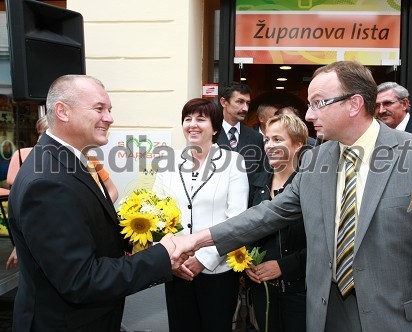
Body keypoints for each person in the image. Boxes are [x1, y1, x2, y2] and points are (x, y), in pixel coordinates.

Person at [171, 61, 412, 331]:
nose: (309, 114)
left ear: (354, 104)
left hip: (394, 320)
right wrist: (197, 240)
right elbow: (269, 214)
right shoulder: (315, 160)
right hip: (325, 316)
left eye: (318, 103)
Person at [7, 74, 190, 331]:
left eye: (110, 110)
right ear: (62, 111)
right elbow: (81, 280)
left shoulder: (70, 163)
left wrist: (143, 240)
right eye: (99, 108)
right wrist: (160, 258)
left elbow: (86, 232)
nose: (109, 118)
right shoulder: (48, 181)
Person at [153, 98, 249, 332]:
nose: (192, 124)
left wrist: (204, 259)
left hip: (217, 271)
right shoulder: (168, 161)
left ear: (215, 127)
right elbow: (157, 212)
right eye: (188, 119)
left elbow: (236, 219)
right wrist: (172, 258)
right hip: (177, 268)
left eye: (201, 119)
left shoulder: (233, 162)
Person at [5, 116, 118, 270]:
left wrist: (96, 210)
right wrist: (20, 245)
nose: (42, 137)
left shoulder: (88, 160)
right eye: (40, 133)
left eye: (46, 132)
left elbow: (111, 190)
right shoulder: (37, 162)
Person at [246, 114, 307, 332]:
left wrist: (283, 266)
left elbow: (323, 242)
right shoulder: (256, 182)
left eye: (278, 140)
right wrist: (247, 262)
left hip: (299, 292)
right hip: (261, 290)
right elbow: (245, 227)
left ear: (298, 144)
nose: (269, 146)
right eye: (267, 139)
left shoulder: (309, 185)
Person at [217, 82, 265, 180]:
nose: (245, 108)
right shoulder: (209, 134)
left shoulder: (256, 137)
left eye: (247, 103)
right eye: (240, 102)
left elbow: (261, 175)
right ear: (223, 102)